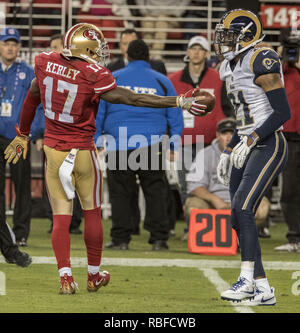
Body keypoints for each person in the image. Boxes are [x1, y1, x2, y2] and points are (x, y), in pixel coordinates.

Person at [4, 23, 205, 294]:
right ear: (86, 49)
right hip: (83, 151)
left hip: (53, 150)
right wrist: (178, 102)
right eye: (97, 49)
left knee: (61, 217)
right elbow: (133, 99)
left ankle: (65, 278)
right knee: (92, 211)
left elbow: (32, 98)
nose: (101, 54)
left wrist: (22, 134)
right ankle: (93, 275)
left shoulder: (44, 62)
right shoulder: (94, 73)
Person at [214, 9, 290, 306]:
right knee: (236, 215)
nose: (224, 40)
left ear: (247, 35)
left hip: (269, 143)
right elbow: (244, 117)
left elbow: (282, 113)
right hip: (247, 142)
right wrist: (230, 148)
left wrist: (253, 138)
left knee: (244, 208)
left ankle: (245, 281)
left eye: (230, 35)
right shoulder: (229, 65)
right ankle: (263, 287)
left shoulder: (262, 57)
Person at [95, 39, 184, 251]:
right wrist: (173, 144)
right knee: (155, 191)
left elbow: (98, 110)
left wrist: (97, 138)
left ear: (127, 56)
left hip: (119, 144)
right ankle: (159, 239)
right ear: (148, 57)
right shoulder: (162, 81)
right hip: (152, 143)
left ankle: (121, 239)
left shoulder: (113, 78)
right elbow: (175, 112)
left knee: (120, 193)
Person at [168, 35, 226, 234]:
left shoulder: (217, 78)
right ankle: (190, 228)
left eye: (200, 49)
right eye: (192, 48)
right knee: (186, 185)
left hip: (211, 143)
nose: (196, 52)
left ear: (206, 54)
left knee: (212, 184)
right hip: (184, 142)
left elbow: (223, 108)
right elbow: (169, 111)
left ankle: (213, 226)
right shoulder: (173, 79)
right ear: (187, 52)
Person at [185, 118, 270, 233]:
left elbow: (255, 185)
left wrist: (237, 202)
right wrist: (214, 199)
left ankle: (242, 236)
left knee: (263, 207)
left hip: (240, 203)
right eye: (224, 133)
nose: (229, 138)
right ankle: (208, 235)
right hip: (211, 204)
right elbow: (194, 186)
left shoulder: (250, 155)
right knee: (192, 206)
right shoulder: (204, 154)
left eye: (233, 134)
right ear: (217, 135)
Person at [0, 27, 43, 248]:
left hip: (18, 138)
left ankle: (21, 233)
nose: (10, 47)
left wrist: (31, 133)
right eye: (6, 43)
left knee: (21, 185)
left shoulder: (27, 73)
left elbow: (39, 106)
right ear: (0, 46)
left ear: (19, 48)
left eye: (14, 44)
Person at [44, 33, 83, 235]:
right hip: (53, 136)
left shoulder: (79, 72)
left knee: (74, 179)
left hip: (76, 136)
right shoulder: (46, 73)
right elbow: (37, 105)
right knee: (55, 179)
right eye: (52, 47)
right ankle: (56, 221)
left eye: (58, 46)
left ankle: (74, 222)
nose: (55, 51)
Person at [273, 28, 300, 253]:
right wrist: (282, 56)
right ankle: (294, 238)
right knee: (289, 190)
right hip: (289, 136)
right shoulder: (281, 69)